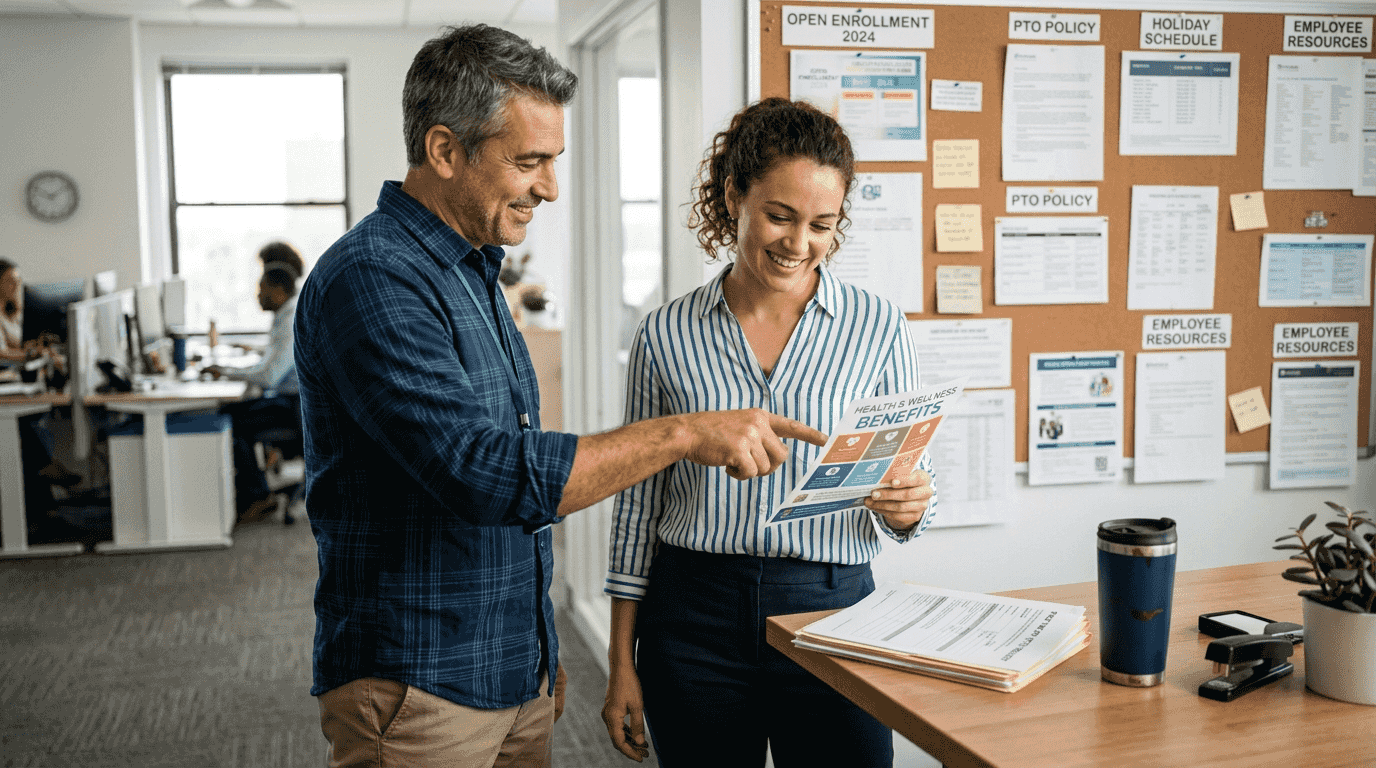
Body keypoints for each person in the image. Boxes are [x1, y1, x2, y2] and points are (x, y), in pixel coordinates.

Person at [293, 25, 826, 768]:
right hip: (419, 681)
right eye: (528, 161)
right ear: (445, 151)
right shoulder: (374, 278)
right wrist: (680, 435)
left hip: (506, 672)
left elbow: (510, 490)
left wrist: (540, 653)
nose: (548, 186)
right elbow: (484, 474)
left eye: (553, 160)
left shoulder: (474, 270)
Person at [600, 98, 939, 768]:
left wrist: (913, 506)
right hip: (692, 616)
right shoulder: (666, 333)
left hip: (832, 608)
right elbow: (635, 505)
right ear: (735, 197)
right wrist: (620, 661)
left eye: (822, 224)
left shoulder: (877, 326)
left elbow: (907, 474)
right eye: (779, 215)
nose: (798, 243)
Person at [204, 262, 300, 522]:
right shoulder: (287, 314)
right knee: (228, 411)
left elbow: (269, 376)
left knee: (230, 422)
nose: (258, 295)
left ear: (278, 291)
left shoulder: (291, 319)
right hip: (290, 400)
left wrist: (225, 371)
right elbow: (277, 357)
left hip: (295, 407)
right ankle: (250, 490)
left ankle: (258, 495)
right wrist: (251, 351)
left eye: (262, 289)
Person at [0, 259, 81, 516]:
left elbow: (14, 345)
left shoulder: (10, 311)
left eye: (19, 280)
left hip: (15, 382)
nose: (18, 285)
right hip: (6, 386)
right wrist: (28, 355)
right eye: (11, 280)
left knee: (36, 416)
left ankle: (44, 503)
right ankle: (46, 468)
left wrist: (35, 348)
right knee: (28, 419)